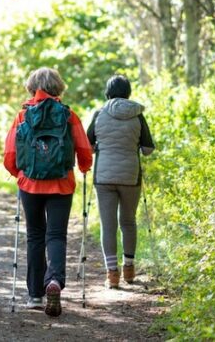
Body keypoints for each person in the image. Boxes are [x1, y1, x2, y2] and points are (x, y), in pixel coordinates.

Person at [4, 67, 92, 317]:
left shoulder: (22, 116)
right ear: (58, 87)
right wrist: (85, 166)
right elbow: (84, 151)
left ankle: (34, 295)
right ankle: (53, 281)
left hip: (29, 184)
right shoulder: (69, 115)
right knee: (56, 235)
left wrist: (18, 174)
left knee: (34, 236)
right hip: (62, 184)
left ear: (32, 87)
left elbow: (10, 155)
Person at [86, 75, 155, 289]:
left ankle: (112, 274)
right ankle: (130, 269)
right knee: (128, 222)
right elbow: (148, 149)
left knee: (109, 225)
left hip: (104, 177)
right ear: (128, 92)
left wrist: (100, 147)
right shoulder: (138, 115)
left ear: (108, 92)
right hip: (130, 176)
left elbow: (87, 146)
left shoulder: (99, 114)